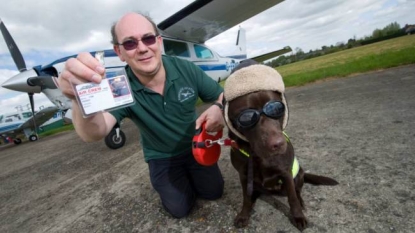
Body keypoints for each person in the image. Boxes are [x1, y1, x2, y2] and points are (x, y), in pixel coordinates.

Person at [58, 12, 225, 218]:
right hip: (161, 158)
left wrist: (219, 108)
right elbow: (94, 132)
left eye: (148, 38)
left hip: (195, 147)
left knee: (214, 192)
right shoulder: (120, 87)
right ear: (119, 52)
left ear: (159, 41)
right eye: (130, 43)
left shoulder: (185, 68)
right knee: (179, 210)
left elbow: (223, 96)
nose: (142, 48)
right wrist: (77, 99)